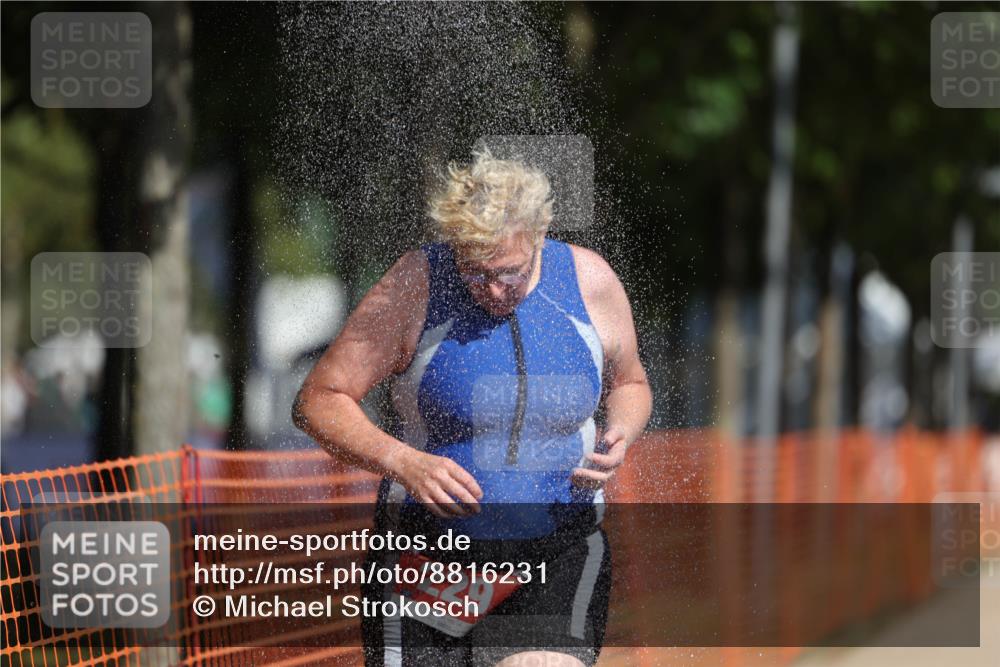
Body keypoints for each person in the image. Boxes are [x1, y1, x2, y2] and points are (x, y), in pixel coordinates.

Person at [293, 149, 651, 666]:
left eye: (508, 272)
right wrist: (405, 463)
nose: (492, 290)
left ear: (538, 237)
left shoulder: (589, 281)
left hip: (554, 549)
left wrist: (621, 429)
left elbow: (632, 382)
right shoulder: (415, 284)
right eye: (473, 271)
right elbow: (318, 400)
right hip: (428, 560)